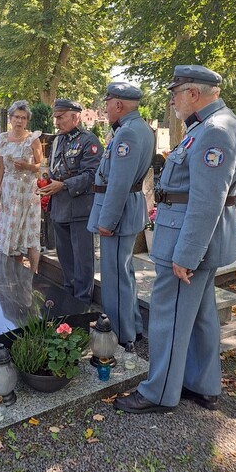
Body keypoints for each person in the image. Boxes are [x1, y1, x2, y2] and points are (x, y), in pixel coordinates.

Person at [115, 65, 236, 414]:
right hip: (196, 238)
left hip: (188, 241)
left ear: (193, 93)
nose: (172, 100)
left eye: (175, 93)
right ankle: (203, 386)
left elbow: (207, 202)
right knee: (201, 317)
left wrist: (186, 254)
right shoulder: (210, 126)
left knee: (168, 316)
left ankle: (158, 393)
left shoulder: (214, 131)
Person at [88, 82, 155, 349]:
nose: (105, 108)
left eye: (107, 103)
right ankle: (133, 328)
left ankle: (116, 335)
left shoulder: (127, 134)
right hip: (128, 209)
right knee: (124, 275)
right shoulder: (140, 129)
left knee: (115, 278)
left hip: (118, 213)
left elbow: (118, 182)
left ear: (118, 105)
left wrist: (107, 221)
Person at [39, 99, 103, 304]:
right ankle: (69, 301)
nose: (56, 122)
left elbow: (93, 174)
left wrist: (64, 185)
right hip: (59, 207)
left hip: (79, 208)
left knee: (82, 260)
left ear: (75, 117)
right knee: (65, 259)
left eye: (60, 117)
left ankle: (83, 304)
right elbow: (55, 169)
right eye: (55, 117)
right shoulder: (58, 140)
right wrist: (45, 182)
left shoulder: (88, 141)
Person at [0, 100, 43, 273]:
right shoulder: (3, 139)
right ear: (10, 118)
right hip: (9, 190)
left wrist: (28, 167)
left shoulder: (32, 140)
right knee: (12, 231)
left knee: (30, 231)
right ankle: (14, 274)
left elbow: (41, 167)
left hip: (28, 191)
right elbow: (0, 167)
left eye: (23, 118)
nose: (19, 121)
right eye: (16, 117)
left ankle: (34, 274)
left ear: (27, 120)